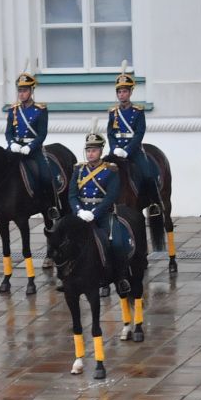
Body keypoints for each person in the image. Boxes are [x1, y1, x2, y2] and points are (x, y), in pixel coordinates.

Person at [71, 127, 134, 300]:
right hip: (82, 214)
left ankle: (121, 278)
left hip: (103, 214)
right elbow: (72, 195)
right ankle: (69, 277)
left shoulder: (110, 170)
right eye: (88, 150)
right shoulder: (79, 170)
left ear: (101, 151)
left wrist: (95, 213)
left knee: (117, 244)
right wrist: (79, 211)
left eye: (94, 150)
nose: (91, 154)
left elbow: (111, 196)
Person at [5, 71, 58, 226]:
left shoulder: (40, 110)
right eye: (20, 90)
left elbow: (42, 134)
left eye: (25, 90)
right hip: (15, 149)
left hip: (32, 150)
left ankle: (51, 206)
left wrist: (30, 146)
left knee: (46, 177)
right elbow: (8, 132)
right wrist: (11, 144)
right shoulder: (13, 110)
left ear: (31, 91)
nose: (21, 94)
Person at [106, 66, 160, 214]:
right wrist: (114, 148)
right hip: (116, 150)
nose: (122, 94)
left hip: (133, 149)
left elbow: (139, 133)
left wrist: (127, 150)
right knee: (102, 171)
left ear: (130, 92)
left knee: (147, 173)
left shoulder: (138, 111)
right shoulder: (113, 112)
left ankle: (153, 203)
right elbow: (110, 133)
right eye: (119, 91)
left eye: (124, 91)